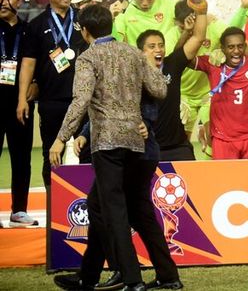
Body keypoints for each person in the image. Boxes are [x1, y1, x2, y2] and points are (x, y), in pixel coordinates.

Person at [48, 4, 169, 291]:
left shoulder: (88, 58)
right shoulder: (132, 52)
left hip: (108, 144)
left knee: (114, 212)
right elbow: (161, 89)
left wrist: (60, 137)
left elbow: (80, 101)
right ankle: (88, 276)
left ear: (85, 31)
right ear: (110, 26)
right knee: (101, 206)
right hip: (137, 143)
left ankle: (132, 280)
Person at [58, 85, 181, 291]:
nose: (157, 50)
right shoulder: (121, 68)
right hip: (138, 153)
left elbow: (145, 105)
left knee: (103, 207)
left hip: (127, 154)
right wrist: (85, 134)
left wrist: (146, 124)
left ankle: (123, 273)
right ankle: (165, 275)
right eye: (152, 48)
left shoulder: (131, 69)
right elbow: (104, 110)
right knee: (136, 213)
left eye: (157, 48)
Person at [17, 0, 88, 187]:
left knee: (88, 155)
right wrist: (22, 98)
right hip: (52, 101)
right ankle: (53, 209)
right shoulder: (37, 25)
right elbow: (28, 63)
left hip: (83, 100)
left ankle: (91, 208)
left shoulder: (84, 19)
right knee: (52, 155)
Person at [137, 0, 208, 162]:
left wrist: (201, 10)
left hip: (177, 147)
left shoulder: (171, 65)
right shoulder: (133, 75)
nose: (158, 50)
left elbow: (199, 37)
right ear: (141, 52)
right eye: (151, 46)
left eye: (160, 45)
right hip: (146, 147)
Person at [192, 27, 248, 160]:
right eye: (230, 47)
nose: (236, 51)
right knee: (225, 181)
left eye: (240, 46)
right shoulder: (213, 64)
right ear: (223, 48)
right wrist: (189, 32)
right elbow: (185, 57)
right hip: (223, 139)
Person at [0, 0, 36, 227]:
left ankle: (19, 210)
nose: (3, 2)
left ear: (19, 0)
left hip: (20, 104)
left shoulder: (29, 30)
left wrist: (36, 86)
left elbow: (36, 64)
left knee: (22, 157)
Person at [112, 0, 181, 51]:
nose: (145, 3)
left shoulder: (173, 6)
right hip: (138, 62)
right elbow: (115, 44)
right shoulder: (123, 12)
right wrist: (112, 19)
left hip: (169, 61)